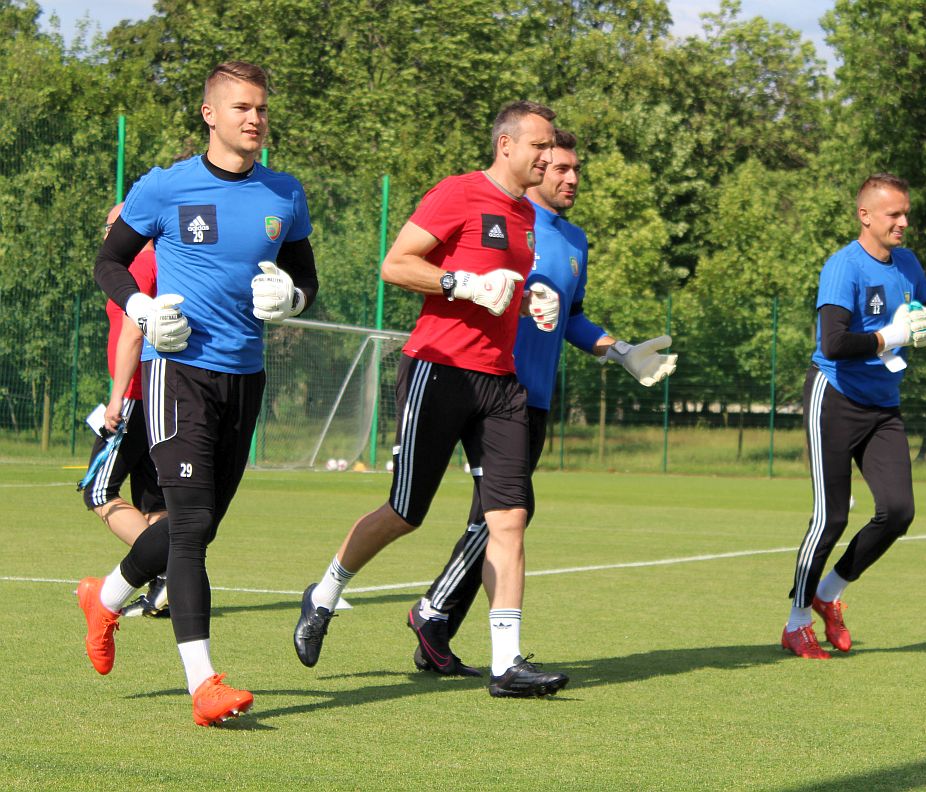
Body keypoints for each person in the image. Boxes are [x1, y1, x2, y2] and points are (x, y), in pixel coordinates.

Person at [293, 101, 571, 698]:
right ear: (506, 145)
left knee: (509, 518)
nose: (548, 157)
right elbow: (395, 266)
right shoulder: (458, 193)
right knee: (405, 512)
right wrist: (460, 284)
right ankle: (324, 593)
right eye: (540, 146)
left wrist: (530, 301)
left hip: (501, 383)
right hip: (438, 370)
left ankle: (506, 664)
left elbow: (501, 287)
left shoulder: (525, 214)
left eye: (551, 147)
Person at [78, 60, 318, 725]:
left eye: (262, 108)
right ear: (210, 114)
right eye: (242, 107)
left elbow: (306, 279)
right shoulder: (165, 186)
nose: (255, 118)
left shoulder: (284, 193)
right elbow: (108, 262)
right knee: (187, 526)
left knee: (200, 525)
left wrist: (292, 299)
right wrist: (140, 308)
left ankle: (105, 597)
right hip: (175, 369)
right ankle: (203, 685)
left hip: (245, 376)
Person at [405, 130, 678, 677]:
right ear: (532, 164)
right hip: (488, 386)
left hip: (536, 398)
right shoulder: (506, 221)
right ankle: (433, 614)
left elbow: (572, 318)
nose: (571, 179)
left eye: (576, 170)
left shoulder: (574, 240)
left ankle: (435, 622)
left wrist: (619, 351)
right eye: (559, 168)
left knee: (500, 516)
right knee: (502, 514)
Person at [782, 173, 926, 659]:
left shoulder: (907, 263)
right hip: (834, 396)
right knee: (830, 518)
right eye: (894, 214)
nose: (903, 222)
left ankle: (829, 594)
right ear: (865, 215)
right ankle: (796, 623)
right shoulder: (844, 267)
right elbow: (833, 343)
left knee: (898, 511)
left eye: (906, 213)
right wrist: (890, 337)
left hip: (883, 405)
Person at [78, 203, 169, 616]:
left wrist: (117, 397)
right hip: (154, 395)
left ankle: (168, 568)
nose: (105, 234)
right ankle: (164, 589)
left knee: (99, 491)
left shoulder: (142, 265)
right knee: (153, 500)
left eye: (109, 226)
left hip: (134, 394)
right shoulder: (157, 263)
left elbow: (134, 332)